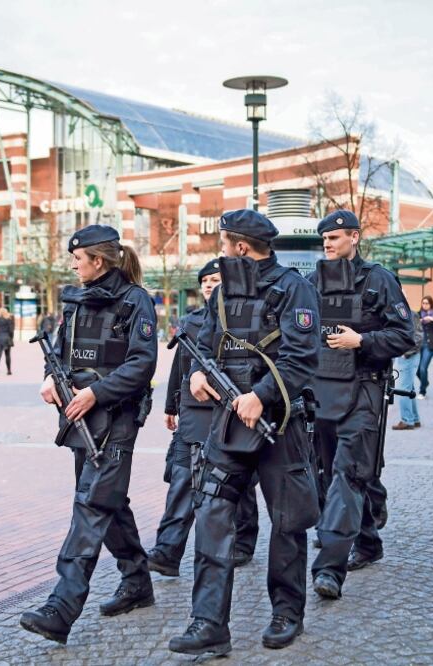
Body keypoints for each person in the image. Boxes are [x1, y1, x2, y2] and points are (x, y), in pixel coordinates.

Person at [167, 210, 320, 656]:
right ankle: (208, 623)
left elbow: (301, 357)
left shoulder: (294, 289)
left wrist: (263, 394)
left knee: (288, 520)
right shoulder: (223, 291)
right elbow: (207, 340)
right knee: (213, 514)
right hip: (229, 421)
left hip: (279, 423)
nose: (219, 250)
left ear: (240, 246)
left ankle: (287, 612)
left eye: (223, 243)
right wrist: (197, 372)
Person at [20, 224, 157, 646]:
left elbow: (142, 364)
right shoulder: (76, 303)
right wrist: (50, 379)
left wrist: (96, 392)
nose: (74, 266)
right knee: (109, 502)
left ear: (98, 261)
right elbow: (61, 351)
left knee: (92, 505)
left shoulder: (137, 302)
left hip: (115, 419)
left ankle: (61, 608)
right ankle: (137, 582)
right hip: (81, 420)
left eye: (79, 259)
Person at [307, 210, 413, 605]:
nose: (328, 244)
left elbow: (406, 334)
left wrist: (362, 342)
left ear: (354, 237)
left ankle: (329, 569)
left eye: (335, 237)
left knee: (347, 474)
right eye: (324, 239)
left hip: (365, 390)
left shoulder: (379, 280)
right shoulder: (313, 282)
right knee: (329, 473)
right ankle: (367, 540)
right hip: (323, 391)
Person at [148, 260, 259, 579]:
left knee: (237, 480)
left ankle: (243, 541)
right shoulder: (191, 321)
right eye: (205, 281)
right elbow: (180, 365)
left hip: (231, 409)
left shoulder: (241, 318)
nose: (209, 285)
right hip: (193, 410)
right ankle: (168, 551)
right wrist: (171, 405)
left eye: (215, 279)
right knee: (182, 477)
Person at [391, 310, 423, 430]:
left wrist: (405, 353)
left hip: (408, 355)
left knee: (402, 389)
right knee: (409, 388)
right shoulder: (403, 313)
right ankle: (414, 419)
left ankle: (407, 420)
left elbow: (418, 336)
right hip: (406, 355)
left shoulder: (410, 314)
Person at [415, 296, 433, 399]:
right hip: (419, 345)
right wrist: (421, 320)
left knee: (423, 368)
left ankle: (422, 391)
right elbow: (411, 326)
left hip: (430, 345)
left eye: (427, 303)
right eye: (423, 303)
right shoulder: (418, 314)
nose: (425, 305)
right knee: (417, 370)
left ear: (431, 304)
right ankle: (425, 382)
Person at [0, 307, 15, 376]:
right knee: (7, 355)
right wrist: (11, 338)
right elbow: (11, 331)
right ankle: (9, 370)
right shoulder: (8, 320)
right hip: (7, 339)